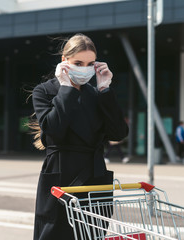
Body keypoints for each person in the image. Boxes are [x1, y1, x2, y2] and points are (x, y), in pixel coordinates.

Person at [31, 33, 128, 240]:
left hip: (95, 177)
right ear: (64, 61)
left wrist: (105, 89)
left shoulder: (96, 93)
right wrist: (66, 88)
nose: (85, 69)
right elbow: (54, 129)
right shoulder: (45, 91)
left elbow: (118, 133)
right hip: (62, 176)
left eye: (90, 63)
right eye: (78, 63)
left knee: (92, 234)